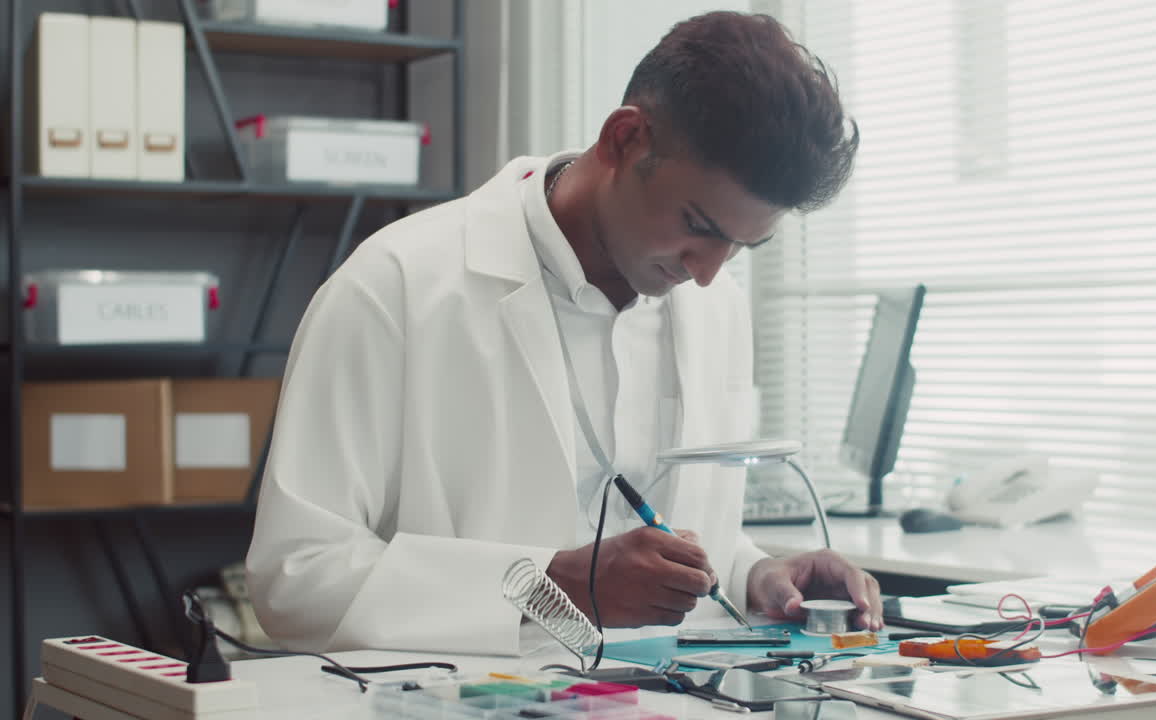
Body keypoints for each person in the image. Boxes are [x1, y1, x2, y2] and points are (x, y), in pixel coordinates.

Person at [247, 10, 882, 656]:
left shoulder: (716, 307)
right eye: (699, 224)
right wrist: (551, 584)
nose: (709, 273)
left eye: (744, 246)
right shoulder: (393, 288)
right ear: (625, 138)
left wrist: (755, 574)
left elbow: (678, 533)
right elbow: (297, 577)